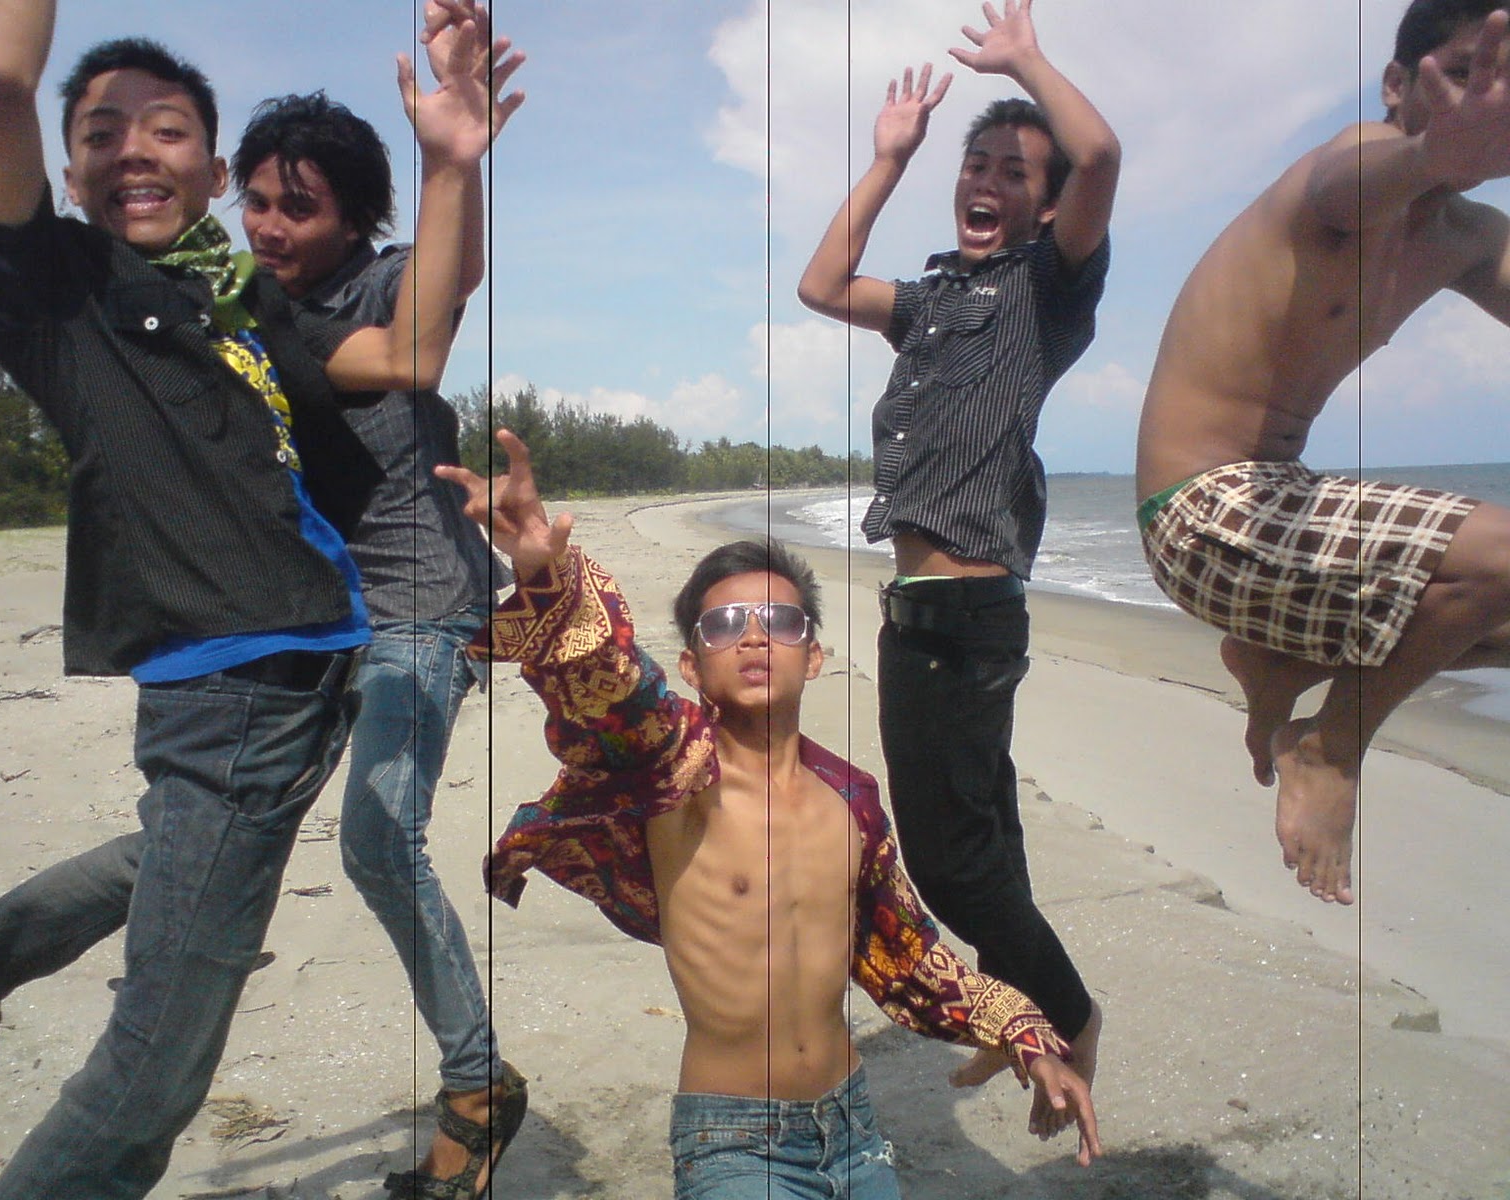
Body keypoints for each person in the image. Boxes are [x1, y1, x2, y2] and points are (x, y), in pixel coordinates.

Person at [0, 2, 510, 1196]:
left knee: (182, 882)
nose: (134, 147)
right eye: (101, 133)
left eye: (167, 128)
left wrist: (450, 163)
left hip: (302, 669)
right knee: (154, 1073)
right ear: (66, 173)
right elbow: (2, 77)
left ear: (211, 168)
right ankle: (478, 1078)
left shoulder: (234, 302)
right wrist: (0, 127)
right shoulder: (60, 285)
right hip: (230, 680)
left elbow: (409, 354)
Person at [440, 429, 1101, 1199]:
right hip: (733, 1143)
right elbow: (610, 683)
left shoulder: (852, 800)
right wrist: (545, 573)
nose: (754, 635)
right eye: (725, 625)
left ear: (813, 655)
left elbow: (907, 958)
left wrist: (1026, 1034)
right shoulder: (673, 775)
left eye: (781, 622)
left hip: (854, 1130)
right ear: (693, 666)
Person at [795, 0, 1119, 1143]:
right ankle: (1020, 1010)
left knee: (948, 864)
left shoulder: (1045, 294)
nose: (983, 182)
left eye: (1011, 172)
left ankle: (1069, 1016)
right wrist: (889, 158)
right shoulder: (932, 302)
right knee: (990, 836)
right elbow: (822, 284)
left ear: (1044, 205)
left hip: (965, 615)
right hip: (925, 613)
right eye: (973, 166)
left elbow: (1101, 155)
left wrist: (1027, 60)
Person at [1135, 0, 1510, 906]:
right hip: (1198, 511)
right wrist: (1432, 155)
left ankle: (1286, 666)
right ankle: (1330, 749)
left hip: (1279, 514)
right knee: (1504, 555)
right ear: (1397, 84)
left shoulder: (1467, 238)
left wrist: (1445, 168)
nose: (1488, 99)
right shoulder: (1352, 165)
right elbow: (1345, 186)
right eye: (1466, 72)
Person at [233, 81, 527, 1197]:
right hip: (311, 611)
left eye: (297, 207)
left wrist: (454, 158)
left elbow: (449, 288)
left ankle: (476, 1084)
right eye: (256, 201)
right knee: (220, 819)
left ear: (353, 217)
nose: (269, 226)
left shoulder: (383, 280)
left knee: (375, 834)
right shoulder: (248, 302)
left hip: (422, 604)